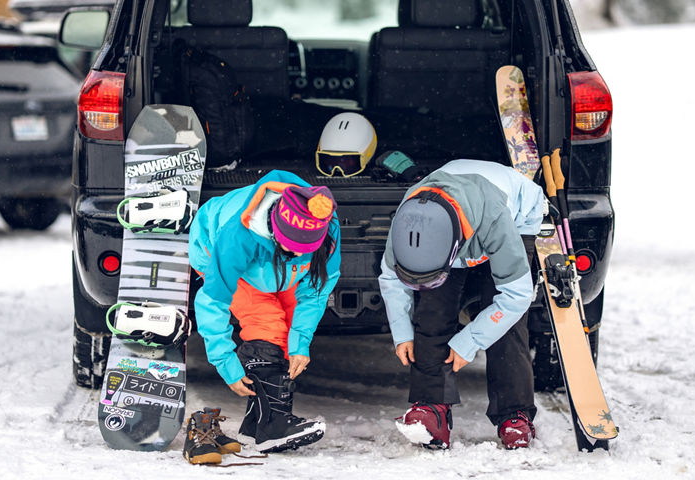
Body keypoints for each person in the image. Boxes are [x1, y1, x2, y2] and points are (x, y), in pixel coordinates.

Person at [378, 158, 547, 450]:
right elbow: (391, 278)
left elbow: (516, 297)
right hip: (456, 214)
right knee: (433, 310)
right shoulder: (409, 219)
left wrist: (470, 341)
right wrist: (402, 333)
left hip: (513, 217)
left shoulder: (497, 221)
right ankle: (431, 408)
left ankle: (514, 415)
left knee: (505, 322)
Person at [186, 170, 341, 458]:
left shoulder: (326, 225)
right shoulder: (237, 234)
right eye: (291, 247)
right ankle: (273, 427)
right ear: (275, 228)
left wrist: (300, 343)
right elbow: (212, 301)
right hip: (217, 250)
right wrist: (226, 363)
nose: (298, 254)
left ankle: (256, 423)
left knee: (290, 326)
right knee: (266, 323)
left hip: (275, 269)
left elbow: (316, 291)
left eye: (305, 250)